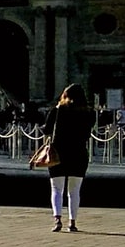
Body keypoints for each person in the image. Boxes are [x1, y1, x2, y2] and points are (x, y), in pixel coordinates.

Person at [46, 83, 93, 232]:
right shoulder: (88, 113)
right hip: (79, 153)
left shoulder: (57, 111)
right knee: (74, 191)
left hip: (58, 152)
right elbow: (87, 133)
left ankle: (57, 220)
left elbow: (46, 130)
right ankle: (72, 222)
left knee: (56, 189)